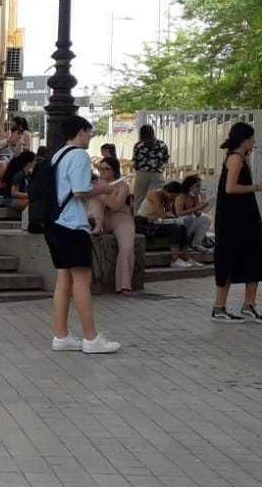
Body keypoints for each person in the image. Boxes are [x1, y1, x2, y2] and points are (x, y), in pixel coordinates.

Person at [46, 115, 120, 355]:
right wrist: (103, 188)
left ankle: (61, 335)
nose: (90, 137)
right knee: (81, 282)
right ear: (80, 132)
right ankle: (91, 338)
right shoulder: (79, 155)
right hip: (72, 226)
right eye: (89, 133)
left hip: (55, 224)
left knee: (63, 281)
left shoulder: (57, 155)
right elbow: (80, 191)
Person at [212, 121, 262, 324]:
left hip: (246, 216)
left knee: (255, 256)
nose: (254, 142)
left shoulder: (241, 158)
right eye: (252, 138)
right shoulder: (235, 159)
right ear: (244, 140)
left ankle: (249, 304)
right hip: (233, 219)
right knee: (228, 259)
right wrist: (258, 187)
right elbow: (230, 188)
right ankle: (219, 307)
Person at [86, 157, 138, 294]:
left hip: (121, 218)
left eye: (107, 169)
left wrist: (102, 194)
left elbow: (116, 206)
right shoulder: (96, 183)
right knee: (95, 202)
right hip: (101, 217)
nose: (103, 171)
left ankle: (124, 285)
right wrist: (99, 190)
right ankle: (96, 225)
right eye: (101, 169)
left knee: (127, 247)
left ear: (114, 170)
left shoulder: (122, 186)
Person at [136, 182, 199, 269]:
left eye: (175, 197)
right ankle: (174, 260)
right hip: (142, 224)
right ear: (166, 190)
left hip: (153, 222)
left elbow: (169, 214)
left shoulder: (167, 198)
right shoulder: (154, 194)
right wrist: (164, 215)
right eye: (172, 196)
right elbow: (161, 214)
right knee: (174, 228)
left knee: (182, 227)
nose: (173, 199)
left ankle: (186, 258)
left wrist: (166, 215)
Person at [131, 124, 170, 210]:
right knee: (156, 198)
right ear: (152, 132)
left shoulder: (138, 145)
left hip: (142, 174)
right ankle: (153, 216)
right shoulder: (162, 144)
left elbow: (135, 160)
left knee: (139, 198)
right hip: (157, 174)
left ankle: (138, 216)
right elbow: (166, 159)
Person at [173, 174, 213, 249]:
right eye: (197, 186)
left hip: (190, 222)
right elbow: (179, 213)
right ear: (189, 187)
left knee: (206, 219)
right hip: (181, 223)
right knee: (189, 218)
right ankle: (184, 242)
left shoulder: (196, 196)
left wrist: (204, 205)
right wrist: (198, 208)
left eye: (200, 186)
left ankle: (196, 243)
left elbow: (197, 214)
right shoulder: (181, 197)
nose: (199, 188)